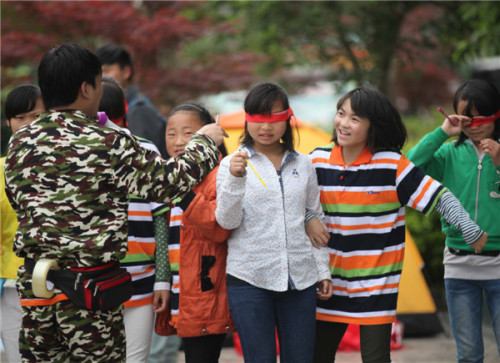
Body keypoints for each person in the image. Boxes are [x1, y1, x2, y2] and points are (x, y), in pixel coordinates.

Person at [3, 42, 226, 362]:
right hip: (88, 295)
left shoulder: (20, 143)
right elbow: (170, 182)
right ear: (85, 89)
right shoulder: (108, 141)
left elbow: (19, 200)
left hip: (35, 292)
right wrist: (205, 141)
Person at [309, 87, 488, 363]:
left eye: (355, 119)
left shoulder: (392, 165)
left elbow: (439, 196)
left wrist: (469, 228)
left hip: (376, 287)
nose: (343, 123)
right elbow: (295, 203)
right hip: (327, 284)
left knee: (376, 359)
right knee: (316, 357)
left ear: (374, 126)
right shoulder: (316, 160)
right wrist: (310, 219)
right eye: (341, 114)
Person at [215, 82, 333, 363]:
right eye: (258, 118)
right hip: (249, 278)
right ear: (247, 119)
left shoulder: (303, 164)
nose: (266, 127)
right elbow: (226, 221)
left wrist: (322, 271)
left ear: (287, 119)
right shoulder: (231, 164)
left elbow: (314, 216)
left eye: (275, 118)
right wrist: (235, 179)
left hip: (301, 280)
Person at [406, 79, 500, 363]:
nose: (474, 125)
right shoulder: (448, 153)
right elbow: (411, 167)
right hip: (459, 266)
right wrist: (442, 133)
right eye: (465, 118)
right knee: (469, 353)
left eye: (481, 116)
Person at [154, 103, 234, 363]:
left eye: (188, 133)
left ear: (209, 136)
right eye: (171, 133)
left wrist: (184, 195)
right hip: (181, 289)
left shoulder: (219, 174)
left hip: (205, 287)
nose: (178, 141)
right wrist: (164, 283)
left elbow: (219, 227)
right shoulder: (169, 175)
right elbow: (164, 239)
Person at [99, 77, 170, 363]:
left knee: (135, 358)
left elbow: (160, 214)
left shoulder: (145, 149)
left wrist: (162, 278)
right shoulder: (78, 151)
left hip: (141, 278)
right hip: (93, 278)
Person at [1, 84, 45, 363]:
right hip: (11, 284)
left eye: (36, 116)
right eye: (20, 118)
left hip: (63, 283)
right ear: (8, 122)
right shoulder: (0, 169)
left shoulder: (72, 164)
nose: (28, 125)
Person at [96, 44, 168, 158]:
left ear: (126, 72)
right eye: (98, 72)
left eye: (107, 70)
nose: (102, 77)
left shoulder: (139, 109)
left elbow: (143, 159)